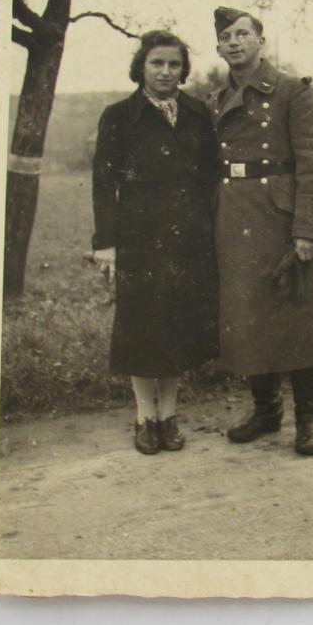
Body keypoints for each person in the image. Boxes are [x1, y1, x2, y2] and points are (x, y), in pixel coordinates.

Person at [208, 7, 313, 456]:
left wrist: (310, 230)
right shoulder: (216, 100)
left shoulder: (294, 92)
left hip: (282, 219)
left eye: (243, 34)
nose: (234, 42)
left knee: (297, 317)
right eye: (226, 37)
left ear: (260, 42)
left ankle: (309, 418)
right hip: (233, 218)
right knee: (248, 317)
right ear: (218, 47)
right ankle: (266, 412)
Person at [91, 30, 219, 455]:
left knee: (177, 326)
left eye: (174, 64)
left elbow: (210, 179)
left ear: (183, 70)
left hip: (188, 239)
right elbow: (103, 184)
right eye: (157, 63)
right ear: (141, 67)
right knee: (143, 328)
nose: (166, 71)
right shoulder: (118, 116)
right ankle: (145, 416)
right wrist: (106, 243)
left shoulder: (198, 113)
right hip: (139, 240)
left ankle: (169, 416)